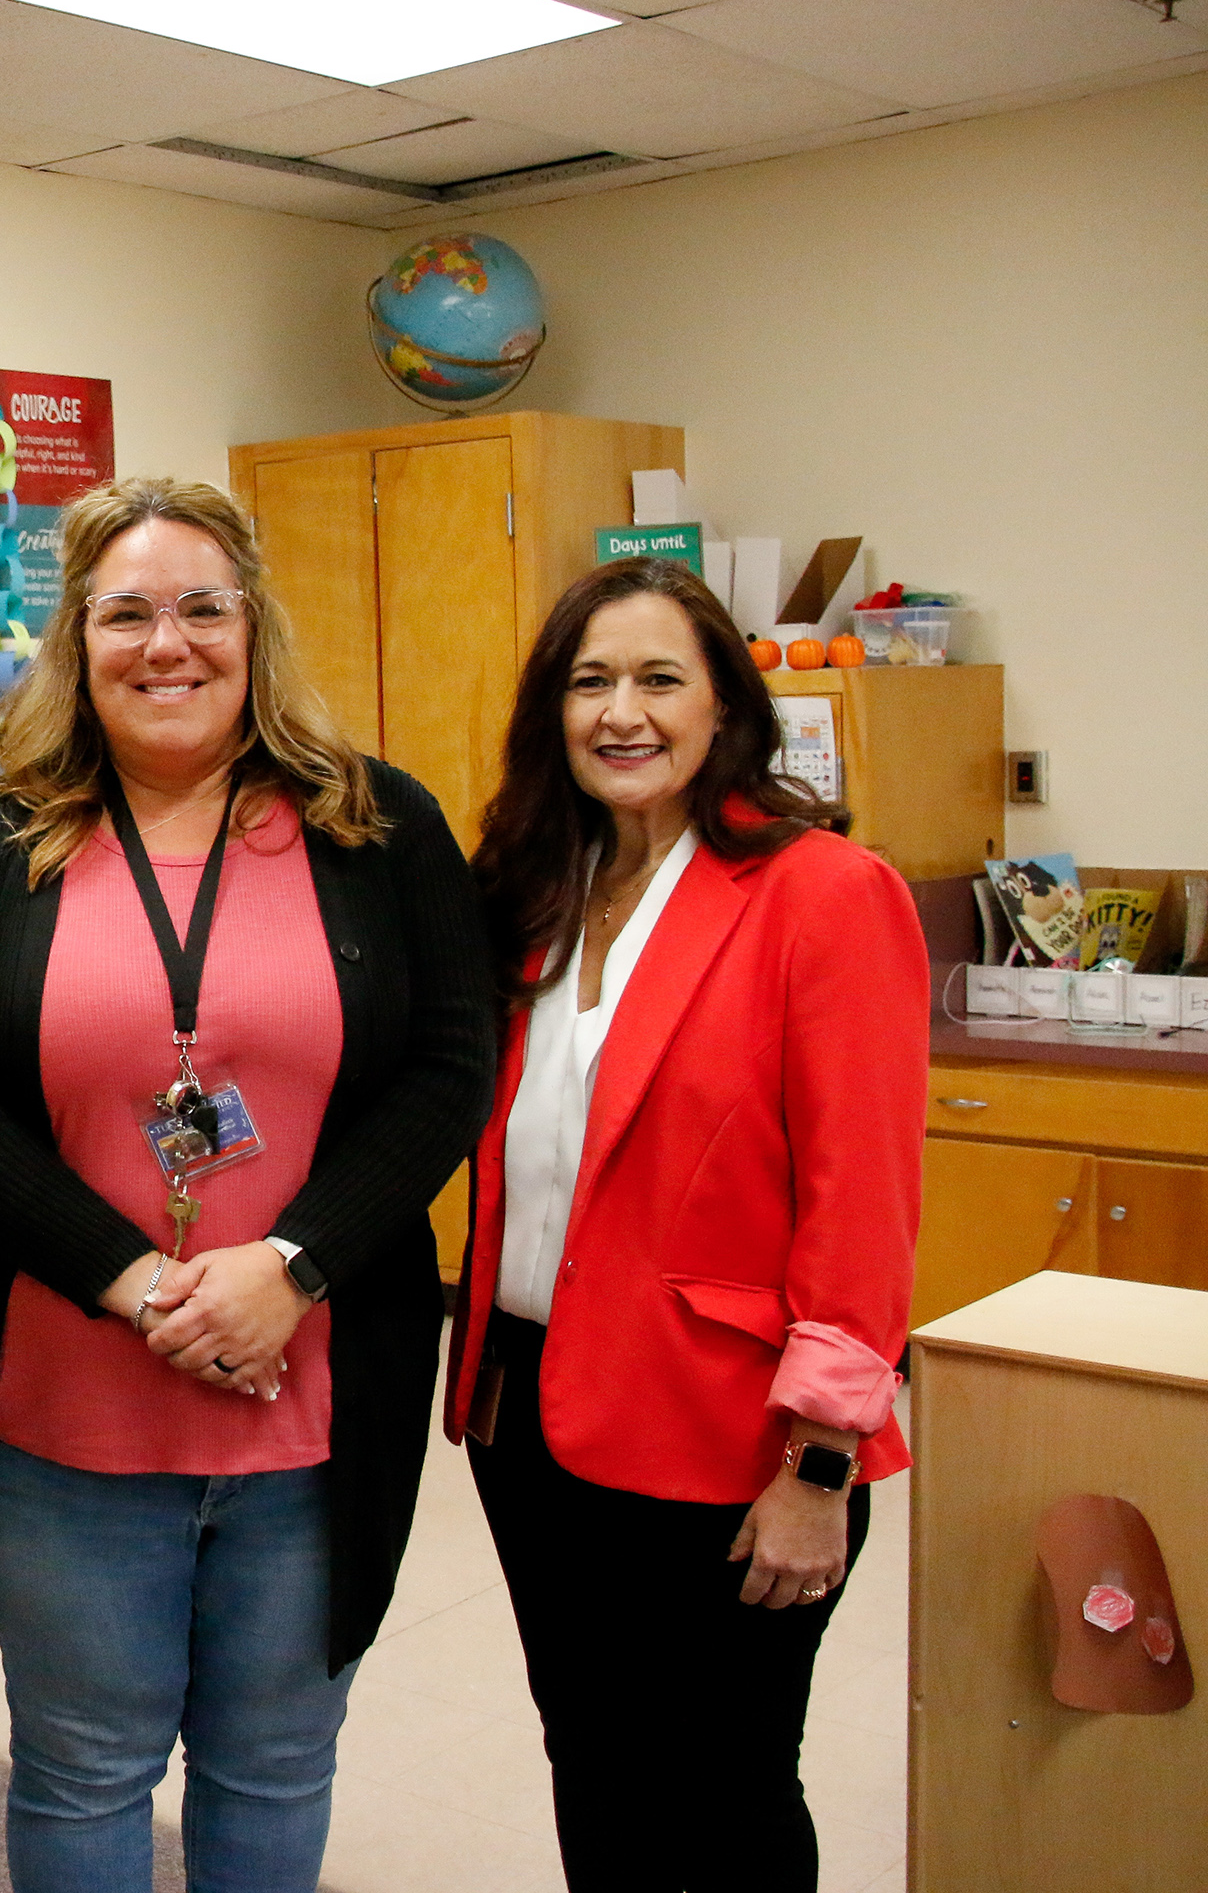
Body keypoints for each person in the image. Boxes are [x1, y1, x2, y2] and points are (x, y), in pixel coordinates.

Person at [0, 475, 494, 1893]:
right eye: (128, 613)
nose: (169, 643)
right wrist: (135, 1278)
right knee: (85, 1768)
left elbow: (450, 1072)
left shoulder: (376, 826)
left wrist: (292, 1266)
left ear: (254, 625)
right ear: (76, 642)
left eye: (203, 607)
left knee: (278, 1757)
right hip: (63, 1407)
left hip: (314, 1399)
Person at [448, 557, 926, 1890]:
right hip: (527, 1411)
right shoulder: (538, 890)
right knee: (592, 1756)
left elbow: (864, 1194)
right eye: (590, 681)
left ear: (725, 709)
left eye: (662, 679)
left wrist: (821, 1462)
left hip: (734, 1430)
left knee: (723, 1786)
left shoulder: (820, 892)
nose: (623, 712)